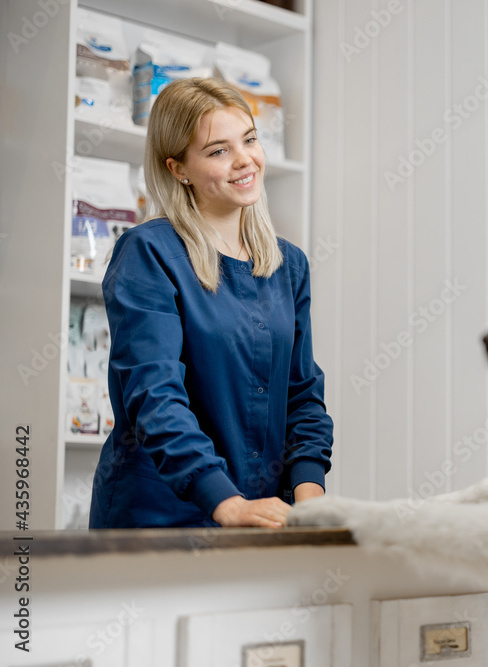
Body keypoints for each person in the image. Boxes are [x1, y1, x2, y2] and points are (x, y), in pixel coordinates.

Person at [90, 78, 333, 528]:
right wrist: (226, 502)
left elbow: (302, 394)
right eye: (218, 150)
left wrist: (309, 496)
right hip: (162, 515)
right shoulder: (149, 252)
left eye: (250, 140)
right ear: (178, 168)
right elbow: (154, 395)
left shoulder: (288, 265)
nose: (244, 160)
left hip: (261, 513)